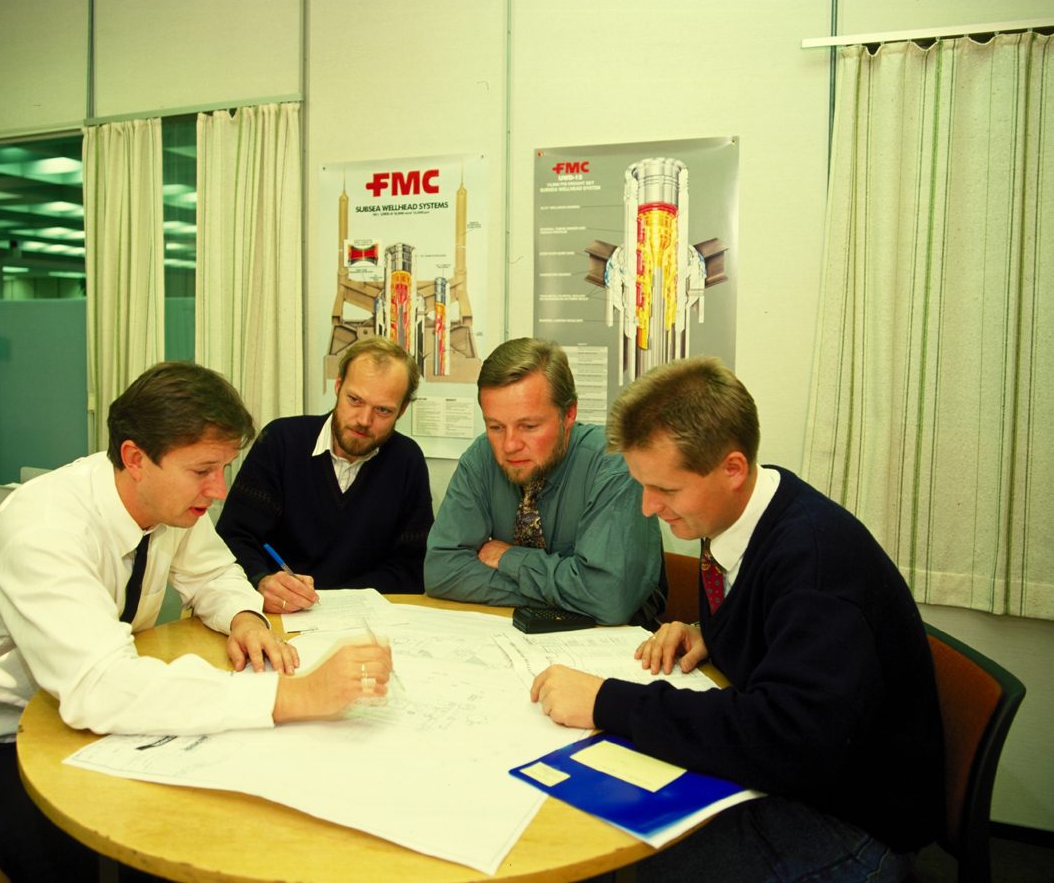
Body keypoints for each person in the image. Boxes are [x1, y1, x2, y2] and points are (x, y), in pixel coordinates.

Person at [0, 362, 393, 882]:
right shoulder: (45, 530)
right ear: (135, 458)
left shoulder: (168, 504)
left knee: (201, 810)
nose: (218, 490)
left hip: (58, 723)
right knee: (105, 847)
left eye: (224, 467)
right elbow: (101, 688)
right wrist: (297, 696)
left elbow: (213, 572)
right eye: (202, 471)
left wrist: (244, 617)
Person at [530, 357, 943, 881]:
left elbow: (786, 739)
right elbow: (781, 638)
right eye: (643, 485)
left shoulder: (817, 564)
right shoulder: (743, 515)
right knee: (606, 815)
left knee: (637, 858)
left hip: (854, 824)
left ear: (732, 468)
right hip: (802, 780)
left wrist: (608, 701)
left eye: (667, 490)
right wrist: (714, 631)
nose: (647, 507)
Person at [424, 337, 664, 626]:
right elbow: (442, 571)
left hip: (616, 650)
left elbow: (608, 599)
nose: (509, 445)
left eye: (528, 426)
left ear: (569, 414)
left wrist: (510, 559)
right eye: (496, 427)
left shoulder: (614, 463)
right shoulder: (481, 457)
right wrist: (572, 590)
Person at [216, 336, 433, 613]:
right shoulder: (281, 442)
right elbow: (233, 537)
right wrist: (262, 579)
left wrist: (337, 601)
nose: (364, 420)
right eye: (355, 400)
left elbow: (413, 566)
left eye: (382, 410)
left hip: (364, 618)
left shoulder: (407, 461)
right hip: (278, 613)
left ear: (402, 410)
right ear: (338, 386)